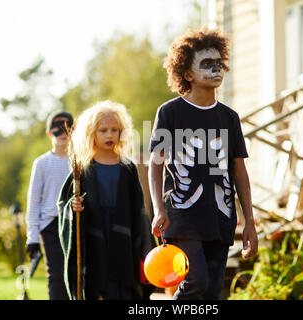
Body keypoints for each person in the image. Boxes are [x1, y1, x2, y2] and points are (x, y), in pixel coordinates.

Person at [148, 27, 259, 300]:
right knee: (194, 280)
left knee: (211, 291)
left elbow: (239, 171)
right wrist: (158, 208)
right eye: (206, 64)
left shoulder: (230, 118)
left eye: (219, 63)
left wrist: (250, 221)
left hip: (221, 217)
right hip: (183, 214)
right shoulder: (170, 112)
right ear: (187, 73)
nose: (216, 69)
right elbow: (155, 163)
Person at [57, 101, 155, 300]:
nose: (109, 135)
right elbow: (64, 204)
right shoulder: (82, 168)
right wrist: (72, 207)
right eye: (103, 130)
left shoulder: (128, 168)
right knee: (98, 282)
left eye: (114, 130)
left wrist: (146, 246)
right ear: (91, 133)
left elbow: (139, 208)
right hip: (94, 234)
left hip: (123, 235)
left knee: (121, 287)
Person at [25, 110, 73, 300]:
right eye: (57, 130)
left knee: (77, 272)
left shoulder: (80, 161)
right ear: (49, 134)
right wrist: (32, 237)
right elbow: (34, 201)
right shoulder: (42, 164)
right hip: (50, 225)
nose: (62, 134)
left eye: (67, 128)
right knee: (57, 275)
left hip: (75, 222)